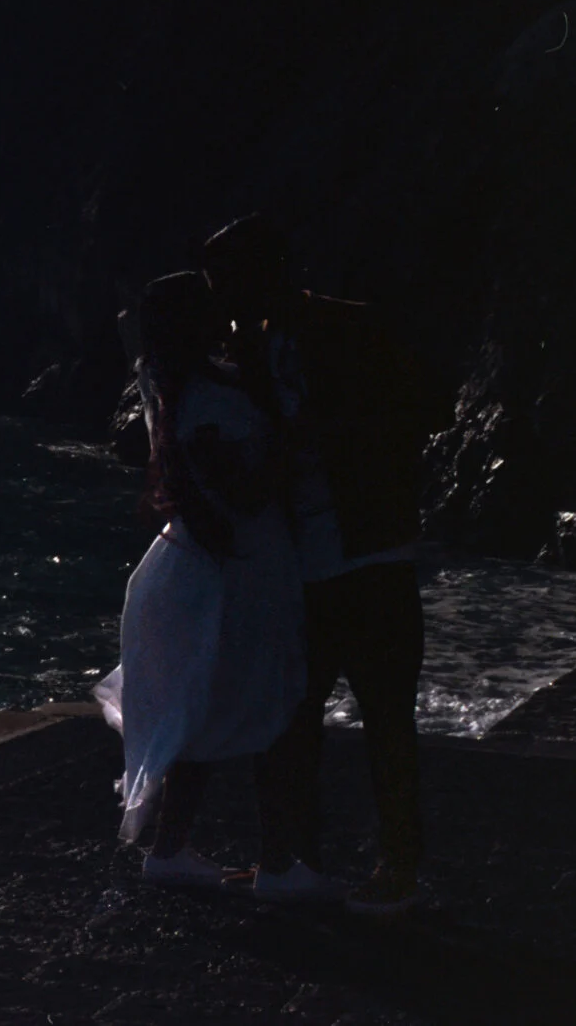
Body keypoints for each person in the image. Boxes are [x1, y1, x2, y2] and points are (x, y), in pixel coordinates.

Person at [203, 216, 437, 916]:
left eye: (226, 282)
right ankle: (295, 855)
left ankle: (394, 864)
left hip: (367, 553)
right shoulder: (256, 344)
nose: (222, 299)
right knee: (293, 718)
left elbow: (415, 409)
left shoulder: (347, 330)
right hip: (310, 562)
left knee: (381, 716)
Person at [94, 271, 307, 886]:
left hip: (198, 566)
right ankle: (277, 861)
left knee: (212, 707)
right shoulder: (206, 400)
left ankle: (175, 850)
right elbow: (237, 497)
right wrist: (287, 448)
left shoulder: (188, 388)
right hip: (226, 571)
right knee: (265, 705)